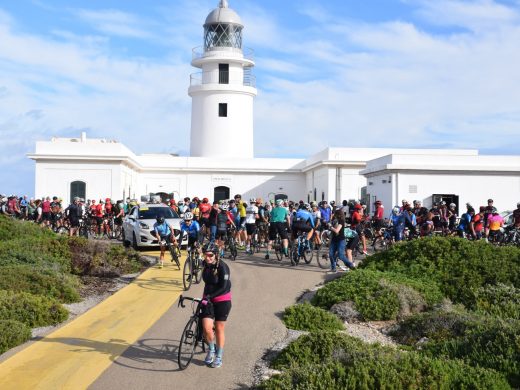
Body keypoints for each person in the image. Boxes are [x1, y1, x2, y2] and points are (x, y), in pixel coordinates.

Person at [201, 243, 232, 369]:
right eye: (205, 255)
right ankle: (211, 349)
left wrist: (210, 296)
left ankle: (219, 356)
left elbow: (223, 287)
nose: (208, 257)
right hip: (208, 299)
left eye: (210, 255)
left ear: (216, 255)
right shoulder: (205, 265)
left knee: (219, 328)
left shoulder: (223, 267)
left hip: (222, 300)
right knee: (207, 328)